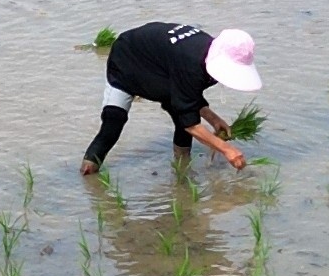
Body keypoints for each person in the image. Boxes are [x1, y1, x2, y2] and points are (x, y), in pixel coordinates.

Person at [81, 23, 259, 174]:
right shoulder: (192, 64)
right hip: (126, 58)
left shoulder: (205, 55)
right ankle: (87, 176)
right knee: (113, 124)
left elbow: (186, 94)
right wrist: (227, 149)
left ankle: (182, 172)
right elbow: (190, 122)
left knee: (180, 112)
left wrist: (213, 119)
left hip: (159, 64)